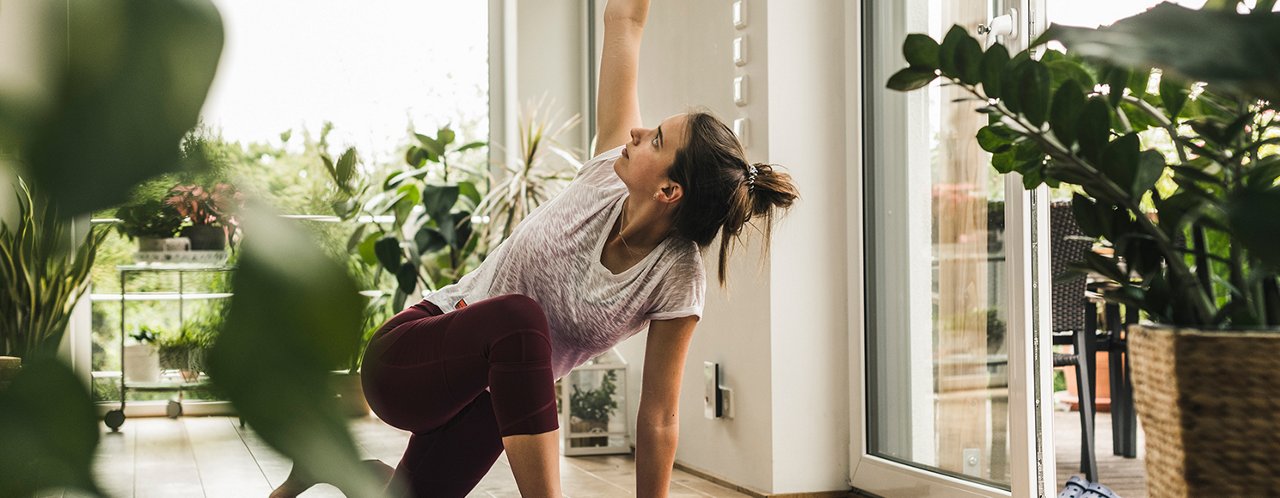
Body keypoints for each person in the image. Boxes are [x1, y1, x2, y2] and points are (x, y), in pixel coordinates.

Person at [270, 0, 797, 496]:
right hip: (411, 359)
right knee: (523, 321)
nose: (636, 132)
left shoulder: (677, 280)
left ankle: (331, 469)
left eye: (656, 139)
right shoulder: (604, 174)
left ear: (668, 192)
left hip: (487, 408)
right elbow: (625, 23)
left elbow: (659, 415)